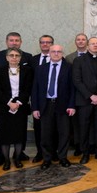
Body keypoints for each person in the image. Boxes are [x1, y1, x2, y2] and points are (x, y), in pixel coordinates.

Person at [0, 32, 33, 167]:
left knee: (19, 129)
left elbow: (29, 83)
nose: (14, 43)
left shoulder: (27, 57)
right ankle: (1, 157)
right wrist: (3, 97)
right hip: (3, 103)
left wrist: (18, 101)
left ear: (21, 42)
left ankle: (19, 154)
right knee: (2, 130)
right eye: (12, 40)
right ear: (7, 42)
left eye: (17, 40)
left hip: (20, 103)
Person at [31, 44, 76, 170]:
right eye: (53, 51)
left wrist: (72, 105)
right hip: (45, 105)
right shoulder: (41, 69)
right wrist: (35, 108)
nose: (56, 54)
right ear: (49, 53)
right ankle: (47, 159)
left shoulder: (69, 68)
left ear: (62, 53)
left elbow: (73, 89)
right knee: (46, 134)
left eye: (59, 52)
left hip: (63, 106)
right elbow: (35, 89)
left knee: (64, 133)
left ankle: (63, 157)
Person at [0, 48, 34, 170]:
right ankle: (6, 161)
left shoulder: (27, 70)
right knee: (4, 135)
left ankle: (17, 159)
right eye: (11, 55)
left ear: (20, 58)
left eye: (17, 55)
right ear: (7, 57)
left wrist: (18, 102)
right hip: (4, 107)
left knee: (19, 134)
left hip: (20, 107)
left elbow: (28, 88)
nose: (14, 57)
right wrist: (9, 102)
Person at [72, 37, 97, 164]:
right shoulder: (78, 60)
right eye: (93, 44)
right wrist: (90, 96)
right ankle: (85, 153)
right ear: (87, 46)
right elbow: (77, 81)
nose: (95, 46)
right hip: (84, 100)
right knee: (84, 128)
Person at [30, 34, 55, 163]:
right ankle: (40, 153)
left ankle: (53, 152)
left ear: (52, 44)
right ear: (40, 44)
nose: (45, 44)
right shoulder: (32, 60)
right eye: (42, 42)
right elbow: (31, 83)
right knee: (39, 128)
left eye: (48, 42)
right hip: (39, 101)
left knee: (53, 128)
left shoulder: (58, 59)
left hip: (54, 101)